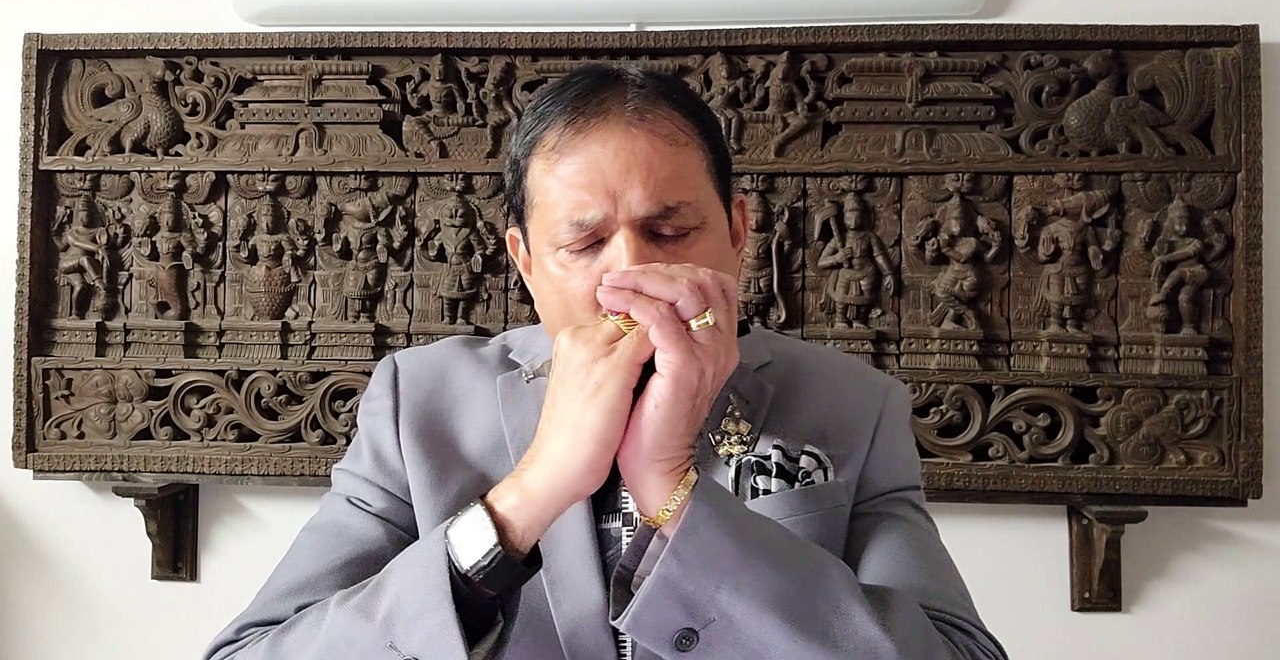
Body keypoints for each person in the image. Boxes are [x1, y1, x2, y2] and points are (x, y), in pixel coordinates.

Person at [205, 65, 1006, 660]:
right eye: (584, 243)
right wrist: (527, 496)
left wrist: (671, 492)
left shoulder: (851, 405)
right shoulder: (421, 404)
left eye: (670, 232)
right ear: (525, 260)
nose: (630, 274)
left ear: (737, 232)